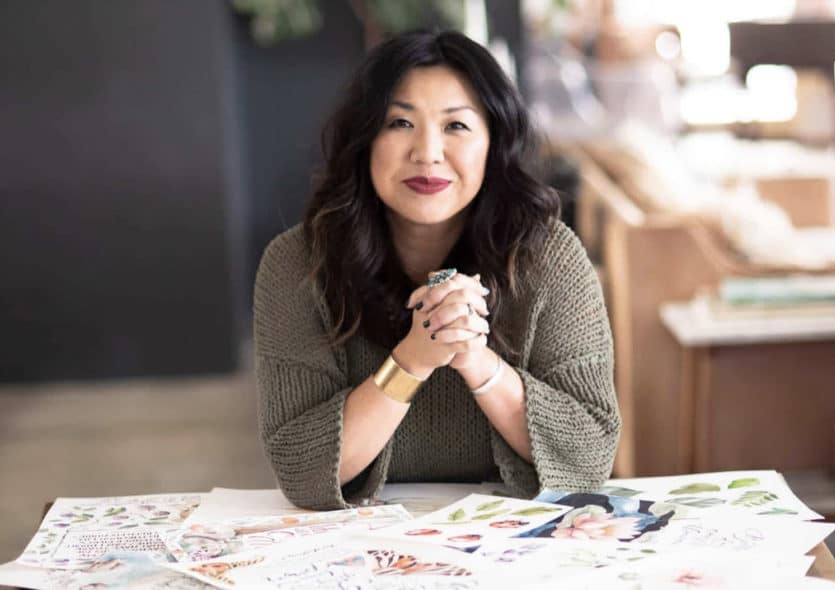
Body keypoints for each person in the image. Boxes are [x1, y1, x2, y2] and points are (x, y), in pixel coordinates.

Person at [254, 30, 620, 510]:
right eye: (400, 122)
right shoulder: (297, 264)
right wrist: (414, 358)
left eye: (457, 126)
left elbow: (590, 456)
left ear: (494, 143)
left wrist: (476, 359)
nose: (427, 153)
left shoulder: (551, 259)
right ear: (364, 141)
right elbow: (301, 470)